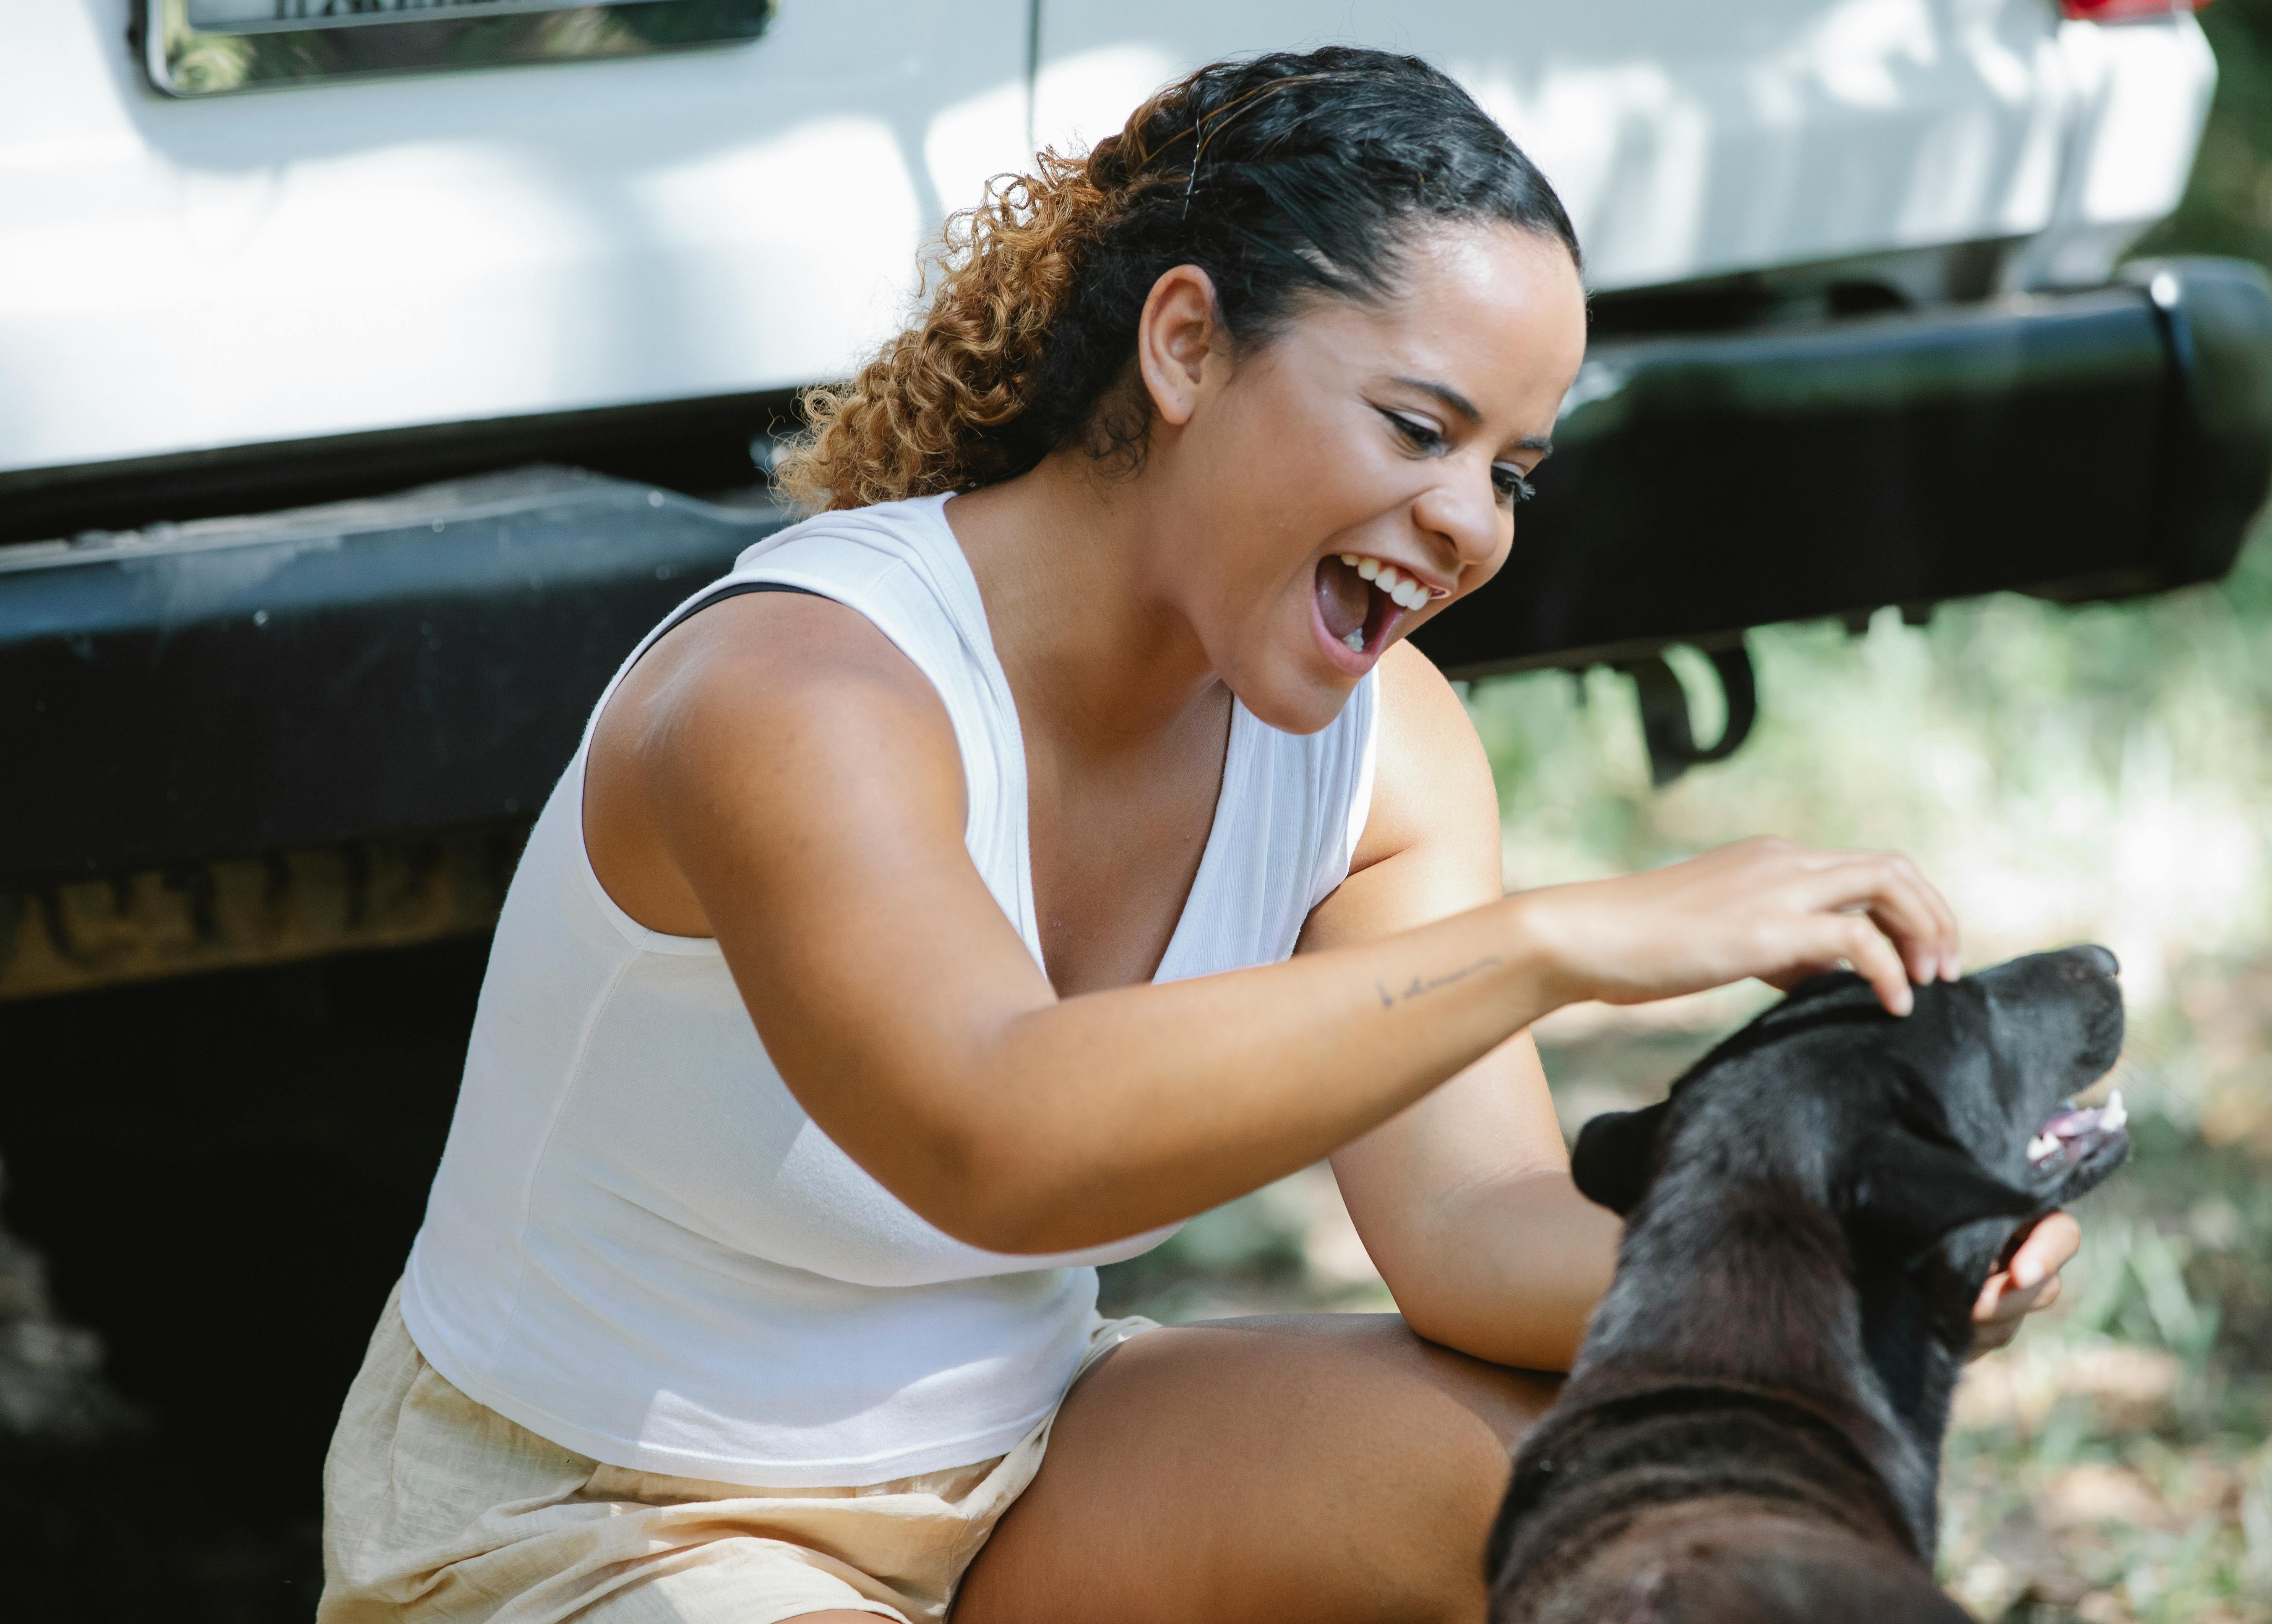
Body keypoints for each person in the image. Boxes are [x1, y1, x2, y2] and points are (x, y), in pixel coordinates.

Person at [316, 46, 2079, 1624]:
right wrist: (1560, 937)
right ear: (1183, 346)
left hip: (1021, 1464)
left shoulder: (1381, 751)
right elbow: (996, 1130)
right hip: (596, 1522)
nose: (1467, 522)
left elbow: (1477, 1238)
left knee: (1606, 1496)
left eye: (1516, 470)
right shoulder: (805, 689)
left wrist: (1862, 1268)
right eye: (1419, 426)